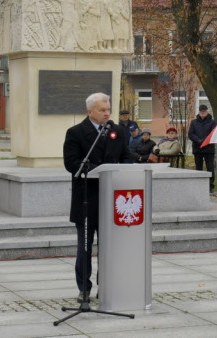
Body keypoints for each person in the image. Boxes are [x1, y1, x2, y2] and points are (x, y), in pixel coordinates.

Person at [63, 92, 133, 303]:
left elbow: (126, 156)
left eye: (108, 109)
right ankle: (84, 288)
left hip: (111, 199)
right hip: (86, 199)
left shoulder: (117, 131)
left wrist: (128, 167)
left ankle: (107, 286)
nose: (106, 114)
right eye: (102, 110)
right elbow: (72, 163)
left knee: (108, 247)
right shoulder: (75, 132)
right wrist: (101, 170)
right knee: (84, 248)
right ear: (89, 111)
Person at [188, 104, 217, 191]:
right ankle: (199, 186)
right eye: (201, 111)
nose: (203, 112)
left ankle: (210, 186)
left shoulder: (212, 122)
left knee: (210, 168)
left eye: (204, 111)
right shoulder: (194, 122)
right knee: (198, 168)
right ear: (199, 112)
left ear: (207, 111)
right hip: (198, 149)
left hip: (209, 149)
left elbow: (213, 134)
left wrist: (204, 141)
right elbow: (190, 134)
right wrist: (198, 140)